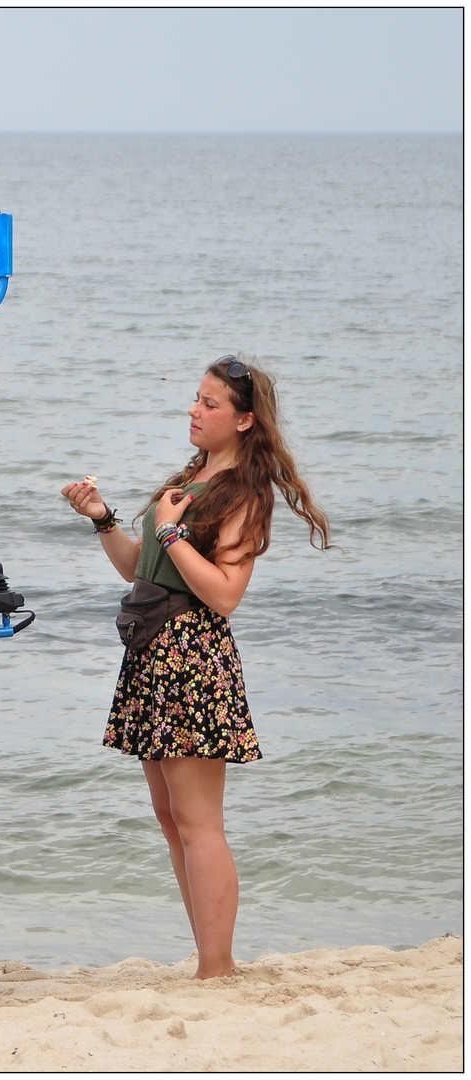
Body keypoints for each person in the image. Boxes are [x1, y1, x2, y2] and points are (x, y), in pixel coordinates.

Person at [61, 355, 331, 979]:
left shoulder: (242, 493)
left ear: (243, 421)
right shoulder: (191, 480)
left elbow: (225, 594)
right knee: (169, 815)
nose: (194, 410)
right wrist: (102, 517)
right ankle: (207, 955)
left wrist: (174, 533)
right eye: (195, 399)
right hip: (154, 652)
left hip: (192, 658)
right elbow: (140, 569)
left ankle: (218, 967)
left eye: (210, 404)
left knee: (199, 820)